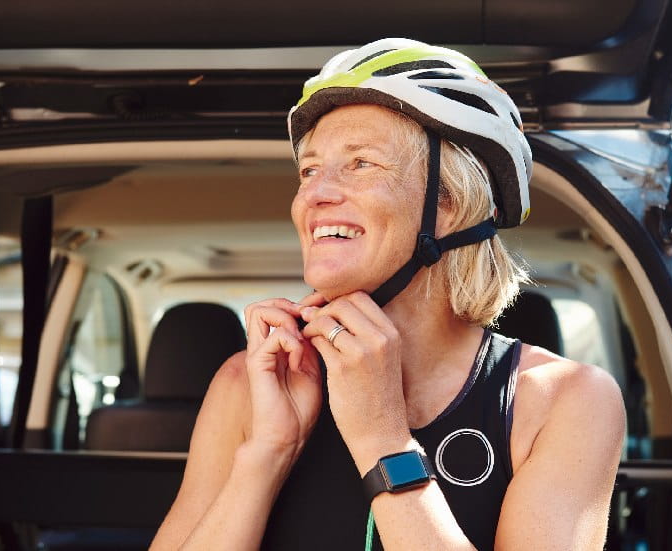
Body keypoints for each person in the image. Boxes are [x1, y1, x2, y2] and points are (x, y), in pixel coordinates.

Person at [151, 38, 625, 551]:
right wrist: (268, 451)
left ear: (451, 204)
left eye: (360, 164)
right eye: (308, 170)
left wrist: (384, 439)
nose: (314, 194)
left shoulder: (564, 399)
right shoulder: (249, 383)